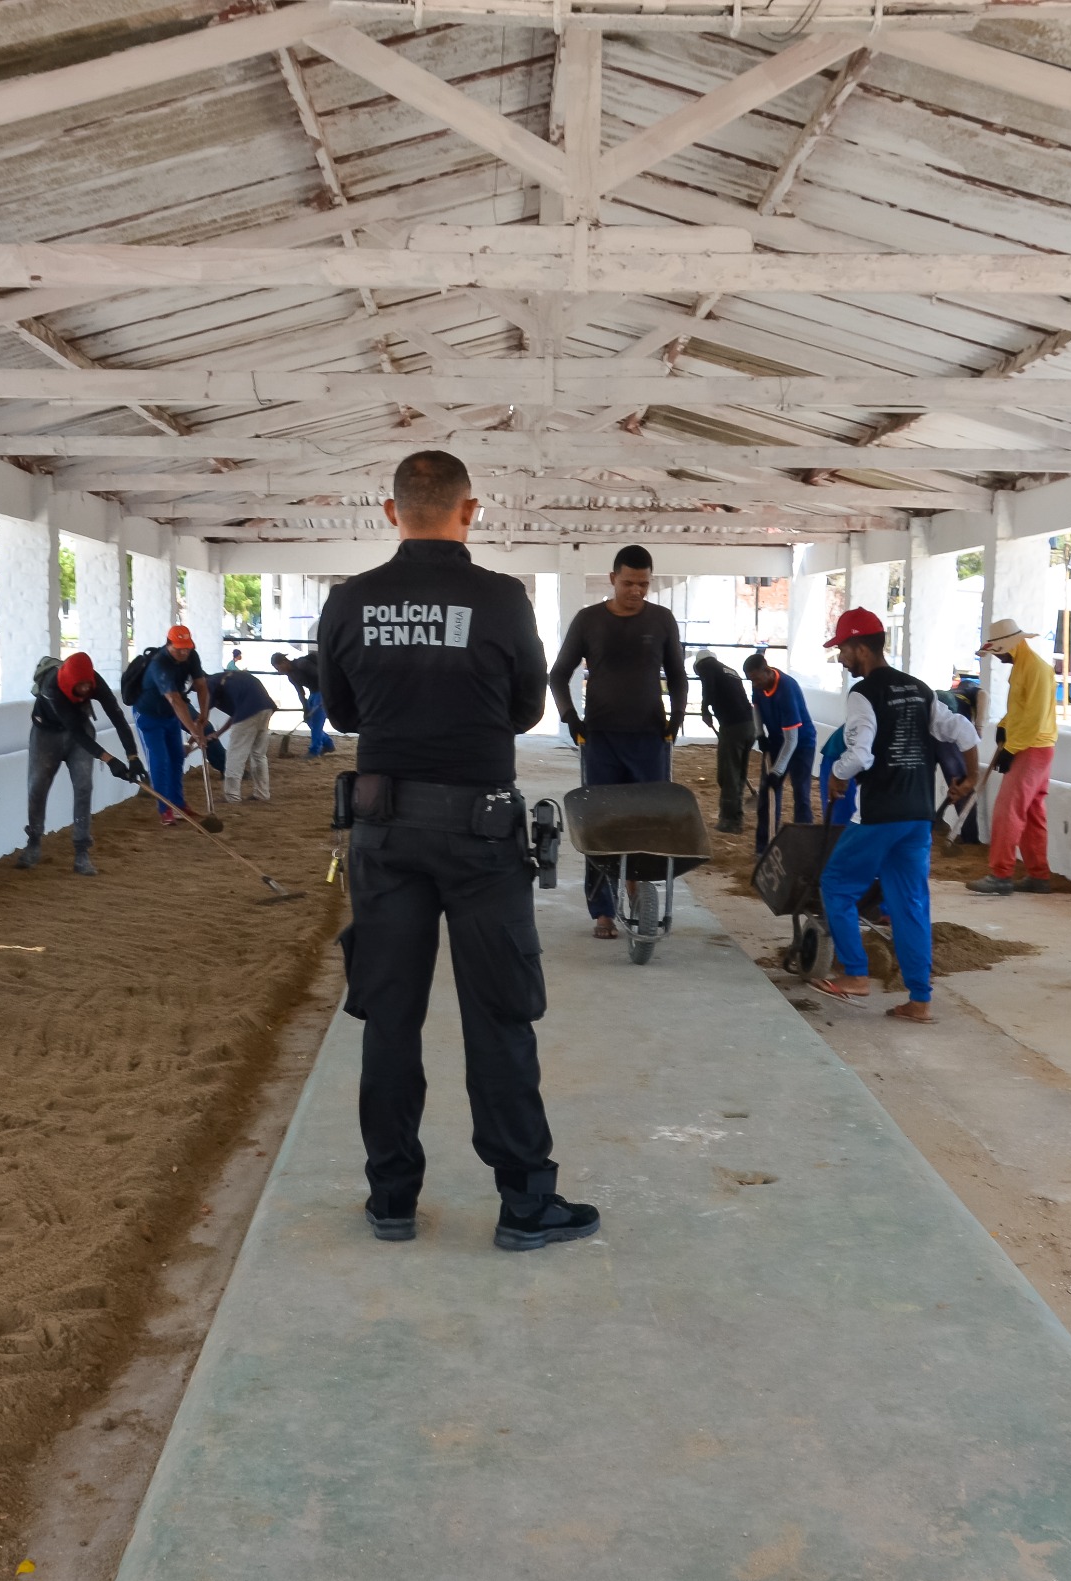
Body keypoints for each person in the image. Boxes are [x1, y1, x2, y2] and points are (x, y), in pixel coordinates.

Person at [317, 450, 598, 1253]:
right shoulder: (503, 599)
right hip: (481, 836)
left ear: (390, 511)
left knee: (390, 1020)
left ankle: (392, 1199)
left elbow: (342, 708)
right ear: (469, 511)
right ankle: (524, 1202)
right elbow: (521, 709)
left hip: (384, 834)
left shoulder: (351, 601)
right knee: (500, 1019)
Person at [808, 610, 978, 1024]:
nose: (841, 658)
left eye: (844, 650)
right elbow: (964, 732)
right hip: (918, 815)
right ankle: (919, 999)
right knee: (912, 904)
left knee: (835, 885)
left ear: (861, 648)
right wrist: (971, 776)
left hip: (879, 813)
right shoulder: (920, 689)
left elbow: (861, 753)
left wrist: (835, 775)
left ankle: (855, 974)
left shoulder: (864, 693)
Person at [549, 544, 687, 939]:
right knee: (602, 823)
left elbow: (677, 674)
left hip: (650, 739)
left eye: (643, 584)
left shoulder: (662, 621)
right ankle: (603, 911)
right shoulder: (589, 621)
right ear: (612, 579)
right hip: (602, 740)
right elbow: (557, 675)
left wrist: (676, 719)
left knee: (646, 823)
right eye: (628, 583)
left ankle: (639, 891)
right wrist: (571, 719)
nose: (636, 591)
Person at [21, 651, 142, 875]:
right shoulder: (52, 687)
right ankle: (34, 841)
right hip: (47, 734)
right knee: (37, 785)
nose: (87, 690)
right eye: (81, 686)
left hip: (80, 729)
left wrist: (132, 757)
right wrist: (111, 760)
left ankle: (81, 853)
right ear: (69, 683)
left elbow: (117, 717)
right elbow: (77, 733)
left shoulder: (94, 681)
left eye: (89, 685)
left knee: (84, 786)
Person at [968, 617, 1059, 895]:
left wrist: (1011, 749)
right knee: (1031, 813)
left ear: (1012, 646)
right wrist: (1004, 727)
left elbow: (1034, 718)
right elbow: (1020, 710)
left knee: (1008, 809)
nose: (998, 659)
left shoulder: (1037, 670)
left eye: (998, 653)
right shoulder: (1021, 668)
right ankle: (1038, 875)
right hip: (1028, 745)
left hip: (1033, 747)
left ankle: (1001, 874)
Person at [131, 624, 212, 824]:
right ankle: (165, 810)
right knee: (160, 760)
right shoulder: (160, 663)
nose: (184, 652)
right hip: (149, 715)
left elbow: (202, 686)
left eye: (187, 647)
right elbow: (175, 699)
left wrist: (203, 715)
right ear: (169, 645)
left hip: (170, 716)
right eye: (179, 648)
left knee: (176, 757)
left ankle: (179, 804)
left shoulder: (192, 656)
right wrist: (194, 731)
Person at [743, 651, 814, 848]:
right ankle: (763, 846)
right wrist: (760, 734)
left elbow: (792, 740)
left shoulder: (786, 689)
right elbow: (755, 707)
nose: (754, 684)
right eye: (751, 680)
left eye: (756, 679)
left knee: (801, 794)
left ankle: (803, 846)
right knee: (767, 793)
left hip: (801, 744)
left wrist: (777, 771)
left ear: (767, 671)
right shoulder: (758, 683)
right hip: (775, 739)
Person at [693, 650, 756, 834]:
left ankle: (730, 821)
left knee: (728, 775)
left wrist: (705, 710)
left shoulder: (707, 667)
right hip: (749, 725)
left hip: (733, 727)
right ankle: (737, 815)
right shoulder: (729, 670)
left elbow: (709, 688)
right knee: (739, 774)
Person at [209, 665, 278, 802]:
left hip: (250, 710)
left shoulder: (208, 684)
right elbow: (236, 715)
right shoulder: (228, 678)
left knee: (235, 754)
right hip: (266, 708)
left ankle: (232, 796)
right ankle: (262, 794)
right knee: (259, 755)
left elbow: (203, 717)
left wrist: (194, 738)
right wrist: (218, 733)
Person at [271, 648, 334, 756]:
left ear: (284, 662)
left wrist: (326, 695)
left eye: (278, 668)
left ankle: (314, 750)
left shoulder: (302, 664)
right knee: (310, 720)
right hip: (314, 692)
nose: (279, 671)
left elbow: (323, 676)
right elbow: (301, 693)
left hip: (323, 691)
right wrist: (305, 709)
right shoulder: (291, 676)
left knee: (317, 721)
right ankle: (328, 744)